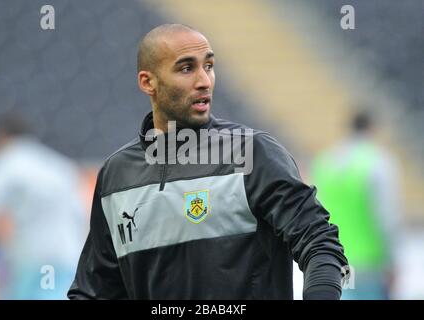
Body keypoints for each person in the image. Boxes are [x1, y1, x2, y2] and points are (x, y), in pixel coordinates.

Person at [68, 24, 348, 300]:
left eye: (209, 66)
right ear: (147, 82)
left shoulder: (252, 153)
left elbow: (320, 244)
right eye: (186, 68)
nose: (204, 81)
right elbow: (94, 291)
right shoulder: (117, 174)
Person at [0, 113, 87, 299]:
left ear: (1, 136)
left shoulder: (4, 163)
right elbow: (81, 214)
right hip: (69, 253)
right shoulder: (59, 165)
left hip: (33, 257)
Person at [310, 110, 401, 299]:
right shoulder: (378, 162)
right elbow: (387, 217)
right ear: (372, 129)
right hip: (371, 262)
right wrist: (392, 260)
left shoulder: (325, 162)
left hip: (339, 259)